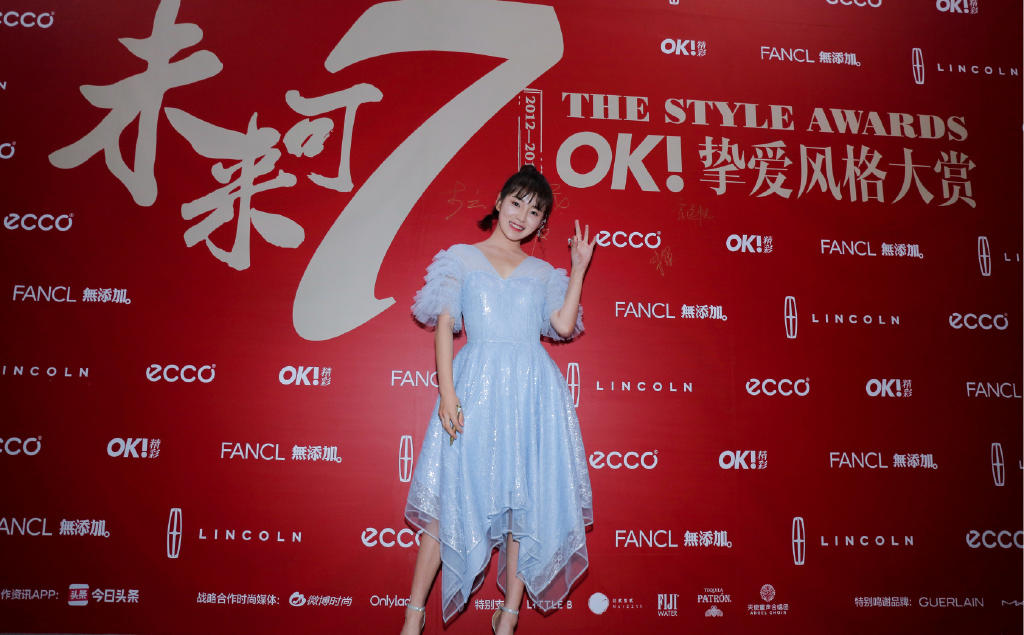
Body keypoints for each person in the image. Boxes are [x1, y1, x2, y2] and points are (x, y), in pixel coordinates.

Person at [400, 165, 596, 634]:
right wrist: (448, 393)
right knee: (449, 502)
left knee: (524, 508)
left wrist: (578, 269)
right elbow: (445, 326)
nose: (522, 216)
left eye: (535, 211)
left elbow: (562, 325)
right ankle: (413, 617)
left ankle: (508, 617)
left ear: (542, 223)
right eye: (517, 203)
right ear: (499, 202)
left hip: (532, 395)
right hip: (474, 389)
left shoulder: (543, 272)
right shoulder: (461, 258)